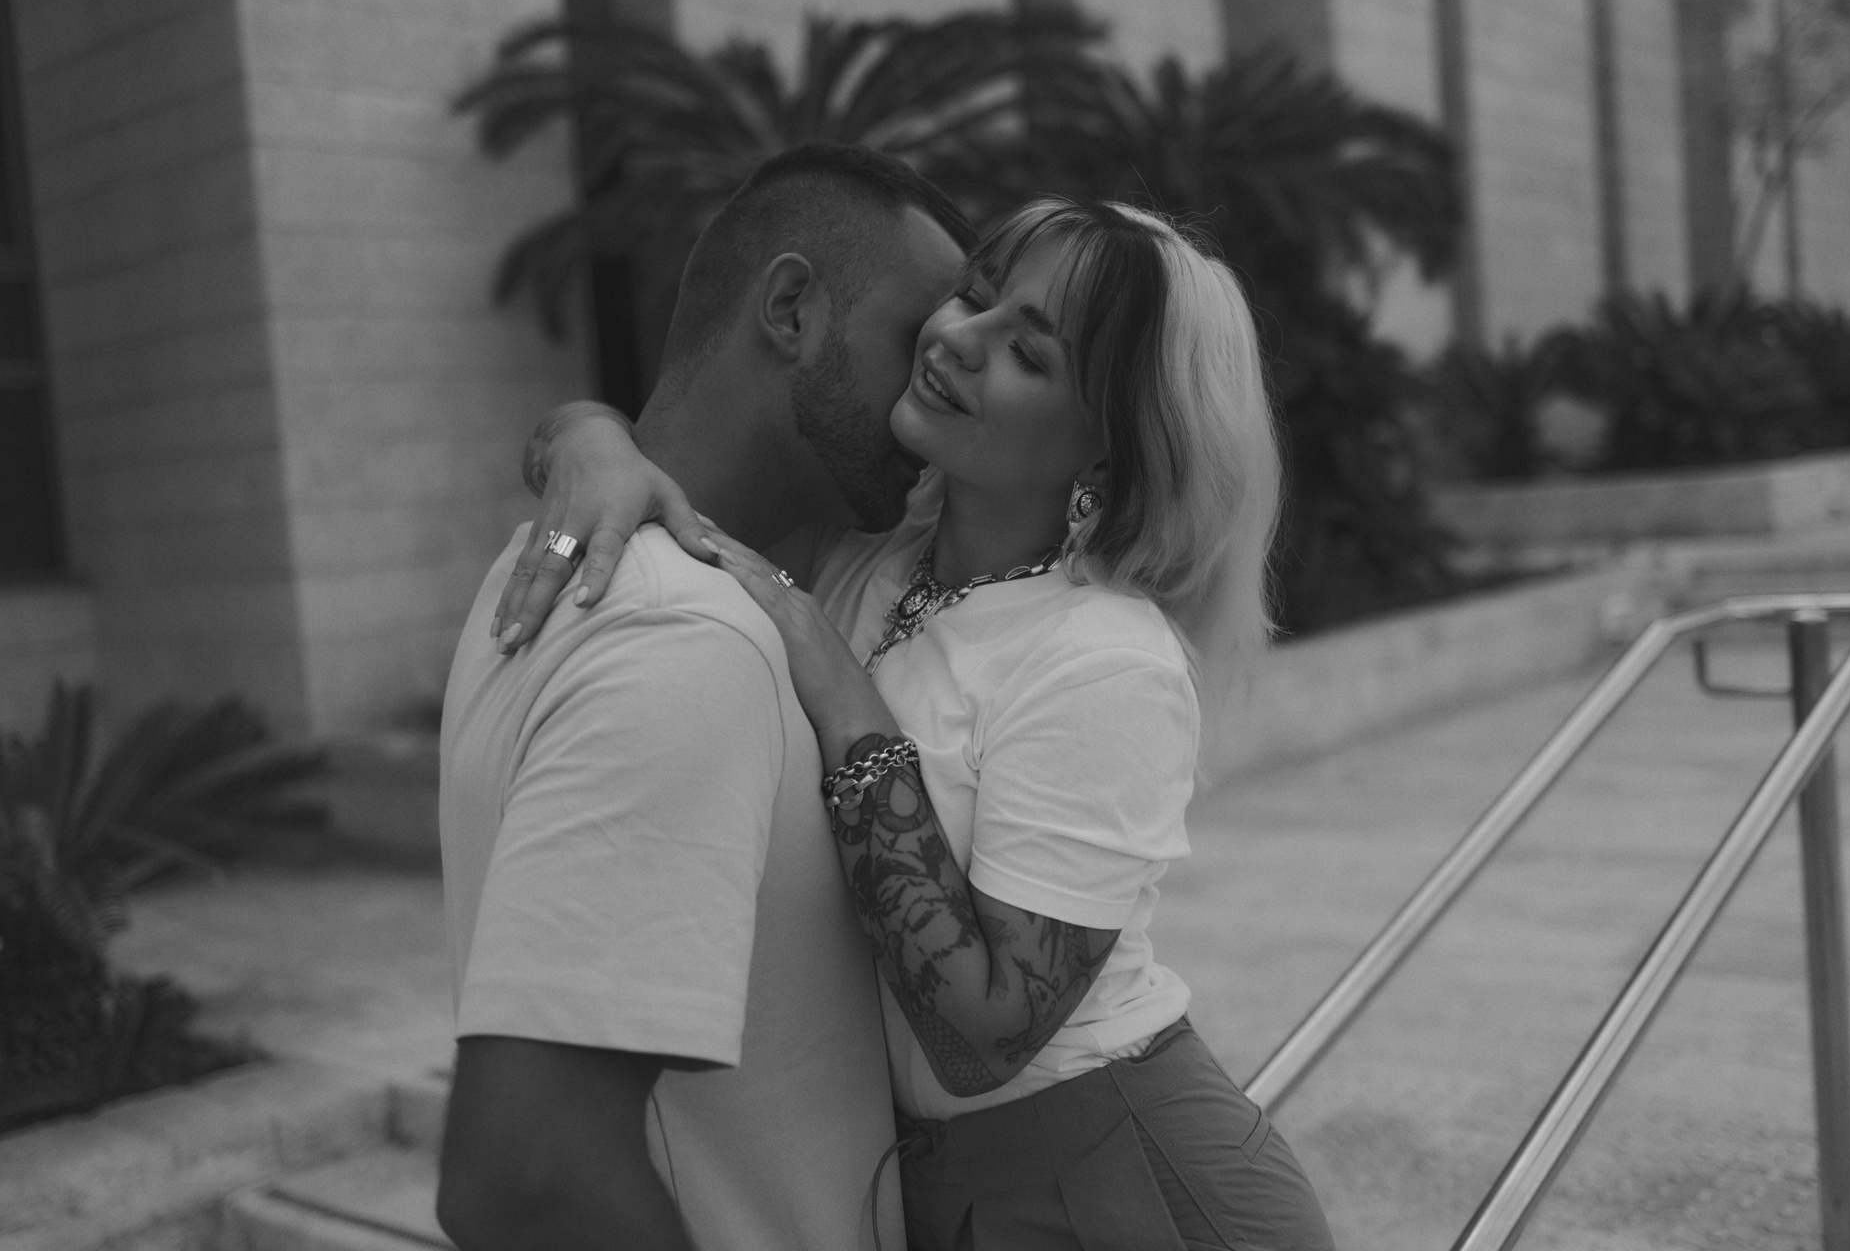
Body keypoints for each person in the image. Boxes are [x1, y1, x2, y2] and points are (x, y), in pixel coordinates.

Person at [512, 198, 1337, 1251]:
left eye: (1027, 352)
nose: (957, 338)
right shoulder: (869, 554)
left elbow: (986, 1034)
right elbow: (679, 455)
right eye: (976, 295)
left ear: (1107, 450)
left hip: (1126, 1178)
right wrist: (585, 436)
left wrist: (848, 704)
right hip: (934, 1187)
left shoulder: (1104, 658)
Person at [433, 144, 974, 1251]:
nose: (930, 403)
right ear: (791, 308)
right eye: (911, 346)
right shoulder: (687, 640)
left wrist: (579, 426)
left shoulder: (549, 566)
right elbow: (528, 1175)